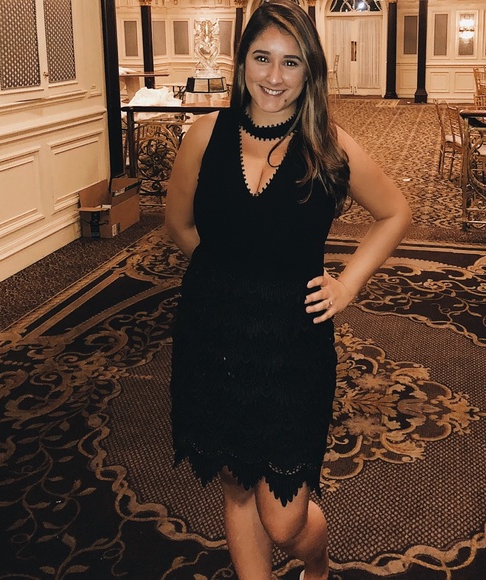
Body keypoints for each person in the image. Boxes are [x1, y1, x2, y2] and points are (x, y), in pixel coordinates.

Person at [164, 1, 411, 578]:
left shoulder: (329, 147)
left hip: (292, 347)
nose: (274, 77)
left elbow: (396, 212)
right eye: (262, 58)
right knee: (236, 485)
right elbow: (178, 226)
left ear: (310, 71)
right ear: (242, 62)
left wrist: (348, 285)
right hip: (213, 338)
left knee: (284, 521)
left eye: (291, 62)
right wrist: (229, 277)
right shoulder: (204, 136)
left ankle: (317, 565)